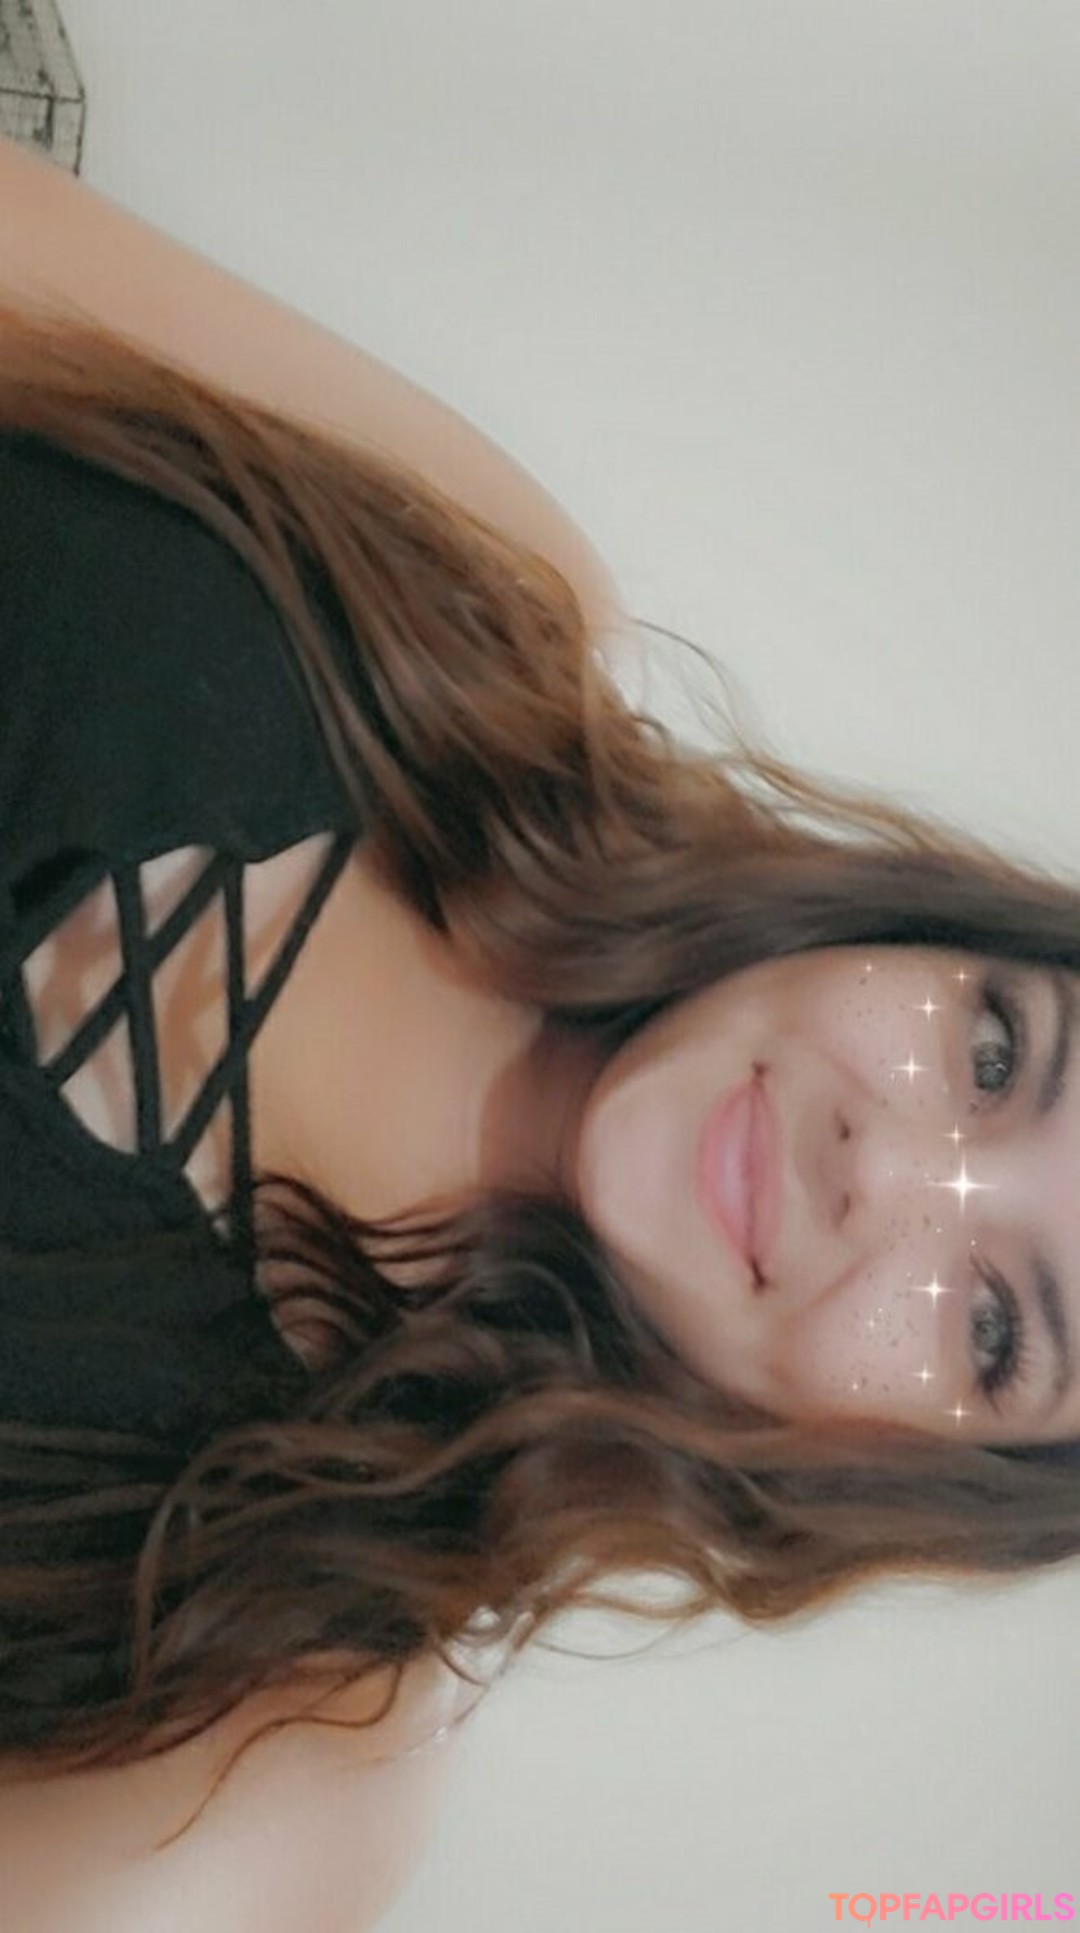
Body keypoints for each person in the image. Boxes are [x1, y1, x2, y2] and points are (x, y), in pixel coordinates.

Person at [1, 134, 1078, 1930]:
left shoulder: (279, 1732)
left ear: (914, 1475)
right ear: (939, 935)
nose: (880, 1163)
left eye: (990, 1323)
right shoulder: (479, 594)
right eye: (992, 1057)